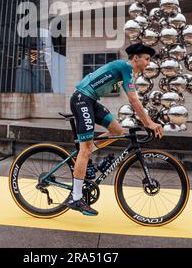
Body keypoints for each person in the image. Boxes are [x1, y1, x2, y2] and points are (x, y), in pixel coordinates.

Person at [65, 43, 164, 217]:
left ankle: (85, 155)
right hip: (82, 99)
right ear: (136, 58)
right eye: (147, 59)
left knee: (117, 131)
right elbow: (133, 100)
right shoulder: (125, 67)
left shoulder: (127, 72)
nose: (148, 63)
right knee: (85, 150)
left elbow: (134, 100)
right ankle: (76, 196)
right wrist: (149, 123)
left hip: (90, 100)